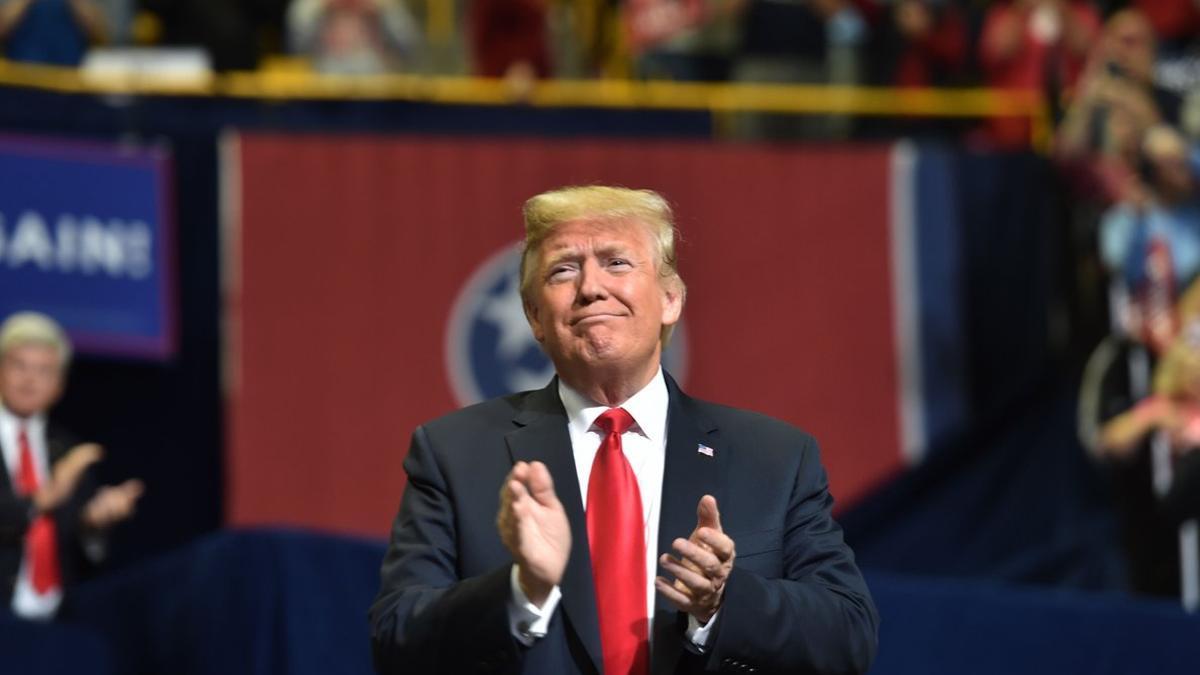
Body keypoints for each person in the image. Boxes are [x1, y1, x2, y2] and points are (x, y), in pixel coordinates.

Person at [370, 186, 878, 674]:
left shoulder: (776, 457)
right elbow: (397, 640)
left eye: (617, 262)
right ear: (534, 317)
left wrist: (723, 600)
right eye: (564, 270)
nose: (591, 287)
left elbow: (849, 636)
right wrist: (523, 590)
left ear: (671, 299)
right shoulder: (453, 453)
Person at [0, 312, 143, 620]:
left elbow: (83, 562)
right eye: (19, 366)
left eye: (44, 370)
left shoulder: (70, 453)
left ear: (59, 386)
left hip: (57, 626)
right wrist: (39, 501)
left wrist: (92, 524)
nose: (30, 379)